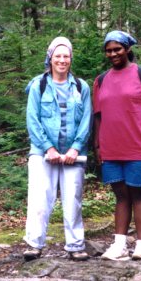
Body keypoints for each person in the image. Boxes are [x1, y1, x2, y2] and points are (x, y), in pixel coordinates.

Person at [93, 30, 141, 261]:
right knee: (121, 195)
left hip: (139, 145)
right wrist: (97, 146)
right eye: (109, 50)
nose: (113, 53)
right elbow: (98, 116)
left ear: (128, 49)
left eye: (117, 49)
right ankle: (119, 244)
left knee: (139, 193)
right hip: (111, 148)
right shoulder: (101, 80)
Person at [23, 36, 92, 261]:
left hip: (74, 154)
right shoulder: (38, 85)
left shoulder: (81, 87)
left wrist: (76, 148)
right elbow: (32, 120)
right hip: (43, 154)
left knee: (73, 199)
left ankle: (75, 245)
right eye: (58, 56)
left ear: (71, 59)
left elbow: (86, 121)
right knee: (40, 198)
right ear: (50, 58)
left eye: (66, 56)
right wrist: (48, 148)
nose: (62, 60)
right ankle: (34, 244)